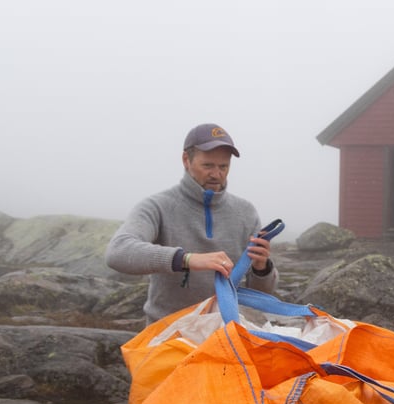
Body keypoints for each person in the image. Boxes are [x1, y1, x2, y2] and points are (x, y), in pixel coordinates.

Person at [105, 123, 277, 324]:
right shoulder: (158, 206)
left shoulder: (245, 212)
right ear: (186, 160)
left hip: (225, 333)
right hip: (168, 333)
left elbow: (259, 295)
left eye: (223, 167)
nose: (216, 174)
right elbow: (118, 252)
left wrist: (261, 268)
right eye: (208, 166)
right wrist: (186, 259)